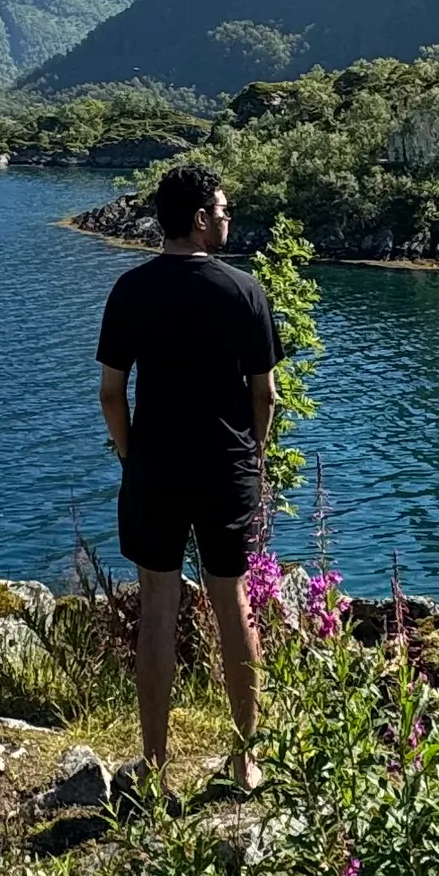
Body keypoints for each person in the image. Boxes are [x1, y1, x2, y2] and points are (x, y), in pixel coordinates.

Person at [96, 159, 280, 795]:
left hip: (155, 469)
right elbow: (266, 395)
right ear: (200, 219)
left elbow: (112, 394)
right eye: (224, 210)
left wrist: (130, 455)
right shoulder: (244, 291)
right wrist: (252, 458)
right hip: (226, 470)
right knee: (233, 604)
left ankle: (153, 764)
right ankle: (245, 758)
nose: (228, 218)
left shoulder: (131, 290)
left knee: (157, 606)